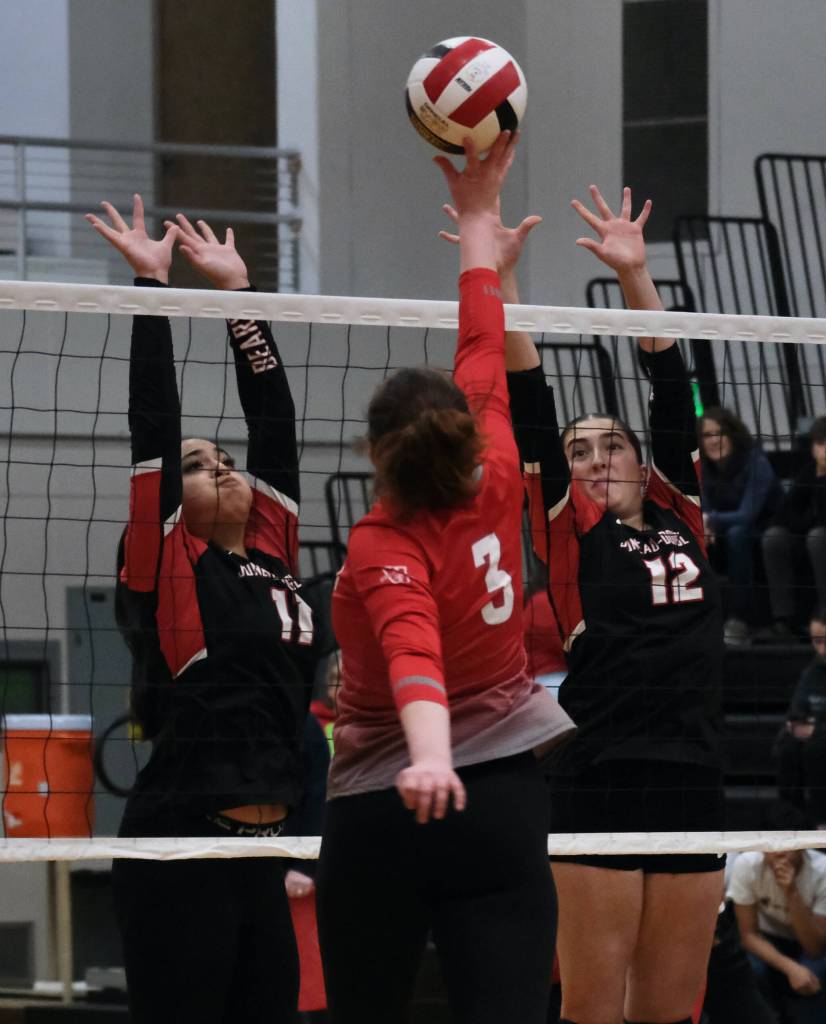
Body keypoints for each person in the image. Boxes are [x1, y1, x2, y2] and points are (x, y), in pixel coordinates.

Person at [315, 132, 575, 1024]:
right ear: (460, 431)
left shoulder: (382, 542)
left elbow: (410, 653)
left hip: (390, 804)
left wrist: (428, 758)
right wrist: (480, 224)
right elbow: (479, 334)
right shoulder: (498, 462)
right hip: (501, 800)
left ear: (377, 455)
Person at [87, 195, 318, 1024]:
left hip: (264, 851)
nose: (221, 469)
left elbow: (275, 425)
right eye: (198, 465)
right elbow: (154, 426)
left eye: (224, 461)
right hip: (179, 844)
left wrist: (237, 299)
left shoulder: (273, 551)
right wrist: (154, 289)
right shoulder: (165, 560)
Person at [507, 185, 726, 1024]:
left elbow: (675, 390)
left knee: (670, 1013)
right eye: (579, 451)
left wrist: (636, 274)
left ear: (643, 463)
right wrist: (505, 286)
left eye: (612, 446)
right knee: (593, 1009)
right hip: (599, 779)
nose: (596, 460)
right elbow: (531, 409)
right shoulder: (569, 532)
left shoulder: (685, 514)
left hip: (695, 776)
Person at [699, 406, 782, 644]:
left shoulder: (756, 463)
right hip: (725, 535)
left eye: (720, 433)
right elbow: (701, 509)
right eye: (707, 435)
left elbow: (748, 514)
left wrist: (710, 520)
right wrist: (704, 523)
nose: (714, 440)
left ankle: (740, 619)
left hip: (767, 533)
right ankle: (702, 619)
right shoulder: (703, 469)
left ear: (733, 435)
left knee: (737, 533)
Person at [729, 825, 826, 1024]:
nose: (780, 852)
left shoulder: (822, 871)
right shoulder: (747, 864)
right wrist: (790, 968)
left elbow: (815, 948)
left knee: (815, 973)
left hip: (806, 941)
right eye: (772, 844)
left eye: (788, 845)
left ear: (803, 846)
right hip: (765, 938)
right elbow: (747, 935)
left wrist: (791, 891)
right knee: (749, 970)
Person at [762, 416, 826, 639]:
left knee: (817, 537)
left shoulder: (817, 474)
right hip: (811, 536)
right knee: (774, 537)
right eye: (819, 443)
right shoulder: (810, 471)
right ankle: (784, 620)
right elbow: (783, 513)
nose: (824, 450)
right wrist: (806, 522)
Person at [773, 609, 826, 823]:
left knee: (817, 746)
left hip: (819, 743)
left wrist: (818, 728)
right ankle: (792, 819)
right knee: (787, 745)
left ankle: (821, 821)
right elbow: (797, 710)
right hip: (814, 740)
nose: (822, 649)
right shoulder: (812, 672)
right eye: (817, 641)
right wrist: (796, 725)